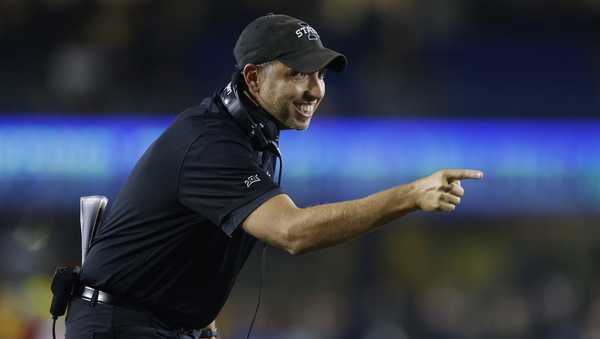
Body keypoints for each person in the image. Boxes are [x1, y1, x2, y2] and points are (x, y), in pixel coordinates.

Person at [64, 13, 483, 339]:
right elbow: (292, 232)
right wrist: (410, 195)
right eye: (296, 74)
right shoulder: (211, 143)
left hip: (150, 325)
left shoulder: (249, 137)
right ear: (252, 77)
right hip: (118, 326)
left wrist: (197, 320)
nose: (315, 89)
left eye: (319, 75)